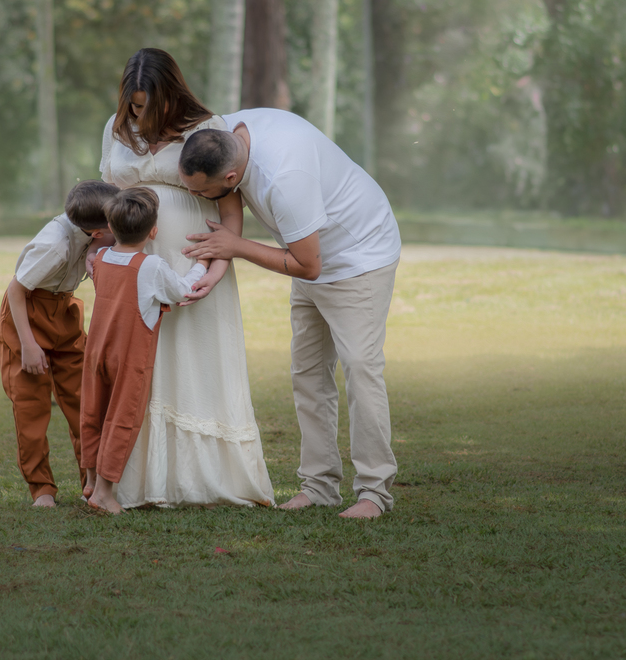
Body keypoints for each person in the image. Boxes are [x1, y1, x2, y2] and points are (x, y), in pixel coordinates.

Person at [179, 109, 402, 519]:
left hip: (359, 256)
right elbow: (301, 260)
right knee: (308, 372)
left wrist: (236, 247)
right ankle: (319, 486)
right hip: (311, 253)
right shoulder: (224, 132)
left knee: (360, 367)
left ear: (230, 178)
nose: (195, 197)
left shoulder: (285, 179)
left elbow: (307, 266)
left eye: (199, 192)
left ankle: (374, 492)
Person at [98, 48, 274, 509]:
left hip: (192, 266)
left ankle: (205, 479)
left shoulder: (206, 128)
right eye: (135, 105)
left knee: (193, 361)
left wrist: (217, 269)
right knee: (140, 366)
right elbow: (107, 197)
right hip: (134, 265)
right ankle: (136, 480)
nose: (142, 114)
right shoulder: (116, 130)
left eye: (150, 105)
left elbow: (230, 208)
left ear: (171, 95)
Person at [80, 188, 210, 514]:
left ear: (111, 224)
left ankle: (91, 481)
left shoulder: (103, 257)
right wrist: (201, 264)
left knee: (93, 413)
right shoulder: (150, 265)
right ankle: (105, 493)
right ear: (154, 232)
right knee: (122, 419)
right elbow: (180, 291)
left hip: (96, 350)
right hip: (129, 356)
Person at [0, 179, 119, 508]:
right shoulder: (55, 245)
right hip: (27, 315)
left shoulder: (89, 233)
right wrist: (28, 344)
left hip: (63, 310)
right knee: (30, 406)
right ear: (97, 230)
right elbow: (16, 290)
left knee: (84, 401)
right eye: (116, 227)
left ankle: (90, 483)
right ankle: (42, 489)